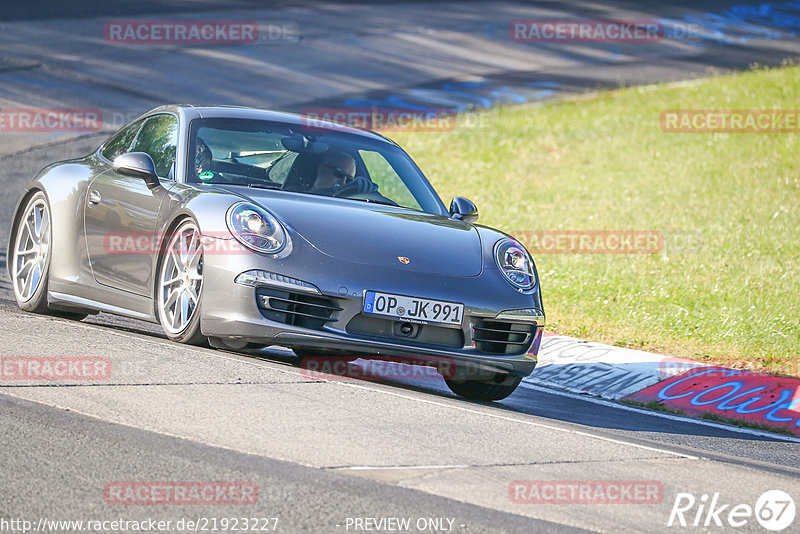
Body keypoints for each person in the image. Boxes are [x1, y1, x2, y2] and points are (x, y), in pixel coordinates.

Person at [309, 151, 378, 196]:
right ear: (321, 169)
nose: (343, 182)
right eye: (339, 174)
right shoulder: (299, 197)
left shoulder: (351, 204)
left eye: (349, 180)